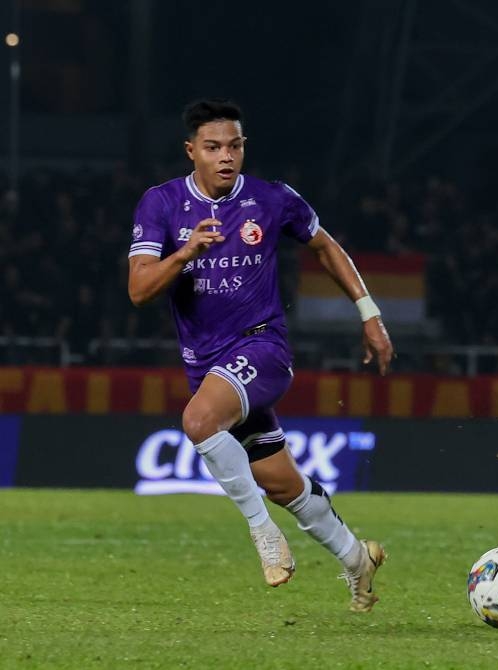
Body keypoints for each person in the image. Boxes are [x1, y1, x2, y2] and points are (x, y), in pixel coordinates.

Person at [128, 98, 393, 612]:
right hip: (206, 363)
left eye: (234, 146)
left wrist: (369, 311)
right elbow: (139, 290)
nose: (226, 156)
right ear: (191, 151)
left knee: (199, 421)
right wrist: (184, 254)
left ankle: (263, 534)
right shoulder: (160, 205)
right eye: (213, 147)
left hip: (263, 346)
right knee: (280, 482)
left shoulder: (272, 200)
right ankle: (356, 558)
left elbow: (325, 246)